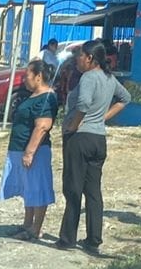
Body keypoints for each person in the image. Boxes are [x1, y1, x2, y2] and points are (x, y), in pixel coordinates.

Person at [56, 40, 131, 254]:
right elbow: (125, 98)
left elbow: (83, 104)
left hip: (80, 138)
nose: (76, 59)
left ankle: (67, 238)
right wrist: (102, 119)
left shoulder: (88, 77)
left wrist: (73, 125)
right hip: (98, 139)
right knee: (93, 190)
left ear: (90, 58)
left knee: (72, 188)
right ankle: (93, 239)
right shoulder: (109, 78)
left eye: (79, 55)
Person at [0, 60, 58, 241]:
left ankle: (35, 228)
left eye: (27, 76)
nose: (24, 80)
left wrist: (30, 151)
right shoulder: (34, 95)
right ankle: (27, 223)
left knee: (38, 188)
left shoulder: (46, 98)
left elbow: (42, 126)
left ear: (38, 77)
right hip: (19, 148)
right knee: (28, 188)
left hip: (35, 152)